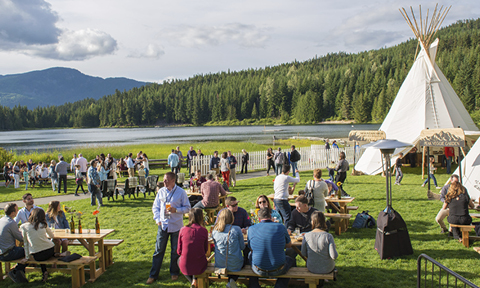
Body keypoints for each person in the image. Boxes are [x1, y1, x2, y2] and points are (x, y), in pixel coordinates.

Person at [147, 172, 191, 284]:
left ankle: (174, 273)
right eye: (164, 180)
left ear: (173, 180)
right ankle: (153, 275)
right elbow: (155, 207)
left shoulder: (181, 192)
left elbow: (187, 208)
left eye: (166, 180)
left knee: (175, 251)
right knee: (158, 250)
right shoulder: (161, 191)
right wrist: (157, 220)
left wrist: (176, 210)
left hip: (176, 225)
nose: (164, 182)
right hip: (163, 225)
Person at [247, 207, 295, 288]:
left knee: (250, 256)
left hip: (259, 269)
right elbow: (289, 245)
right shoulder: (281, 227)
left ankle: (254, 285)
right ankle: (280, 285)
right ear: (270, 216)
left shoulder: (251, 229)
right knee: (291, 260)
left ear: (259, 218)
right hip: (278, 269)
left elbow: (251, 248)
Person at [20, 208, 68, 282]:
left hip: (37, 254)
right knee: (45, 248)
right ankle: (56, 254)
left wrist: (27, 257)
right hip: (49, 250)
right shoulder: (43, 225)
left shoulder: (24, 226)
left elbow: (25, 243)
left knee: (39, 252)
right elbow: (52, 236)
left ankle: (45, 271)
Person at [213, 209, 245, 288]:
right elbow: (242, 247)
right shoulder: (236, 229)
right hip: (235, 264)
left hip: (219, 263)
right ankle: (232, 280)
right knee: (245, 259)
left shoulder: (215, 231)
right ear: (231, 218)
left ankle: (231, 281)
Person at [177, 208, 208, 287]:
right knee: (197, 257)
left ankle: (193, 281)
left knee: (180, 260)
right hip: (200, 264)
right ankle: (194, 280)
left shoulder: (183, 230)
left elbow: (179, 251)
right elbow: (205, 250)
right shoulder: (204, 231)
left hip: (185, 264)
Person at [301, 211, 338, 276]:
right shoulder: (328, 236)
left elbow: (303, 253)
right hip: (327, 268)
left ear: (312, 222)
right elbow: (334, 256)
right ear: (324, 222)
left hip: (311, 267)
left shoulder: (306, 236)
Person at [0, 203, 28, 283]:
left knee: (22, 250)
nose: (18, 211)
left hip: (1, 251)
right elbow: (21, 238)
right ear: (13, 213)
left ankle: (19, 274)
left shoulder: (1, 220)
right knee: (30, 253)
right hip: (7, 253)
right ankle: (16, 272)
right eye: (16, 210)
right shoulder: (11, 223)